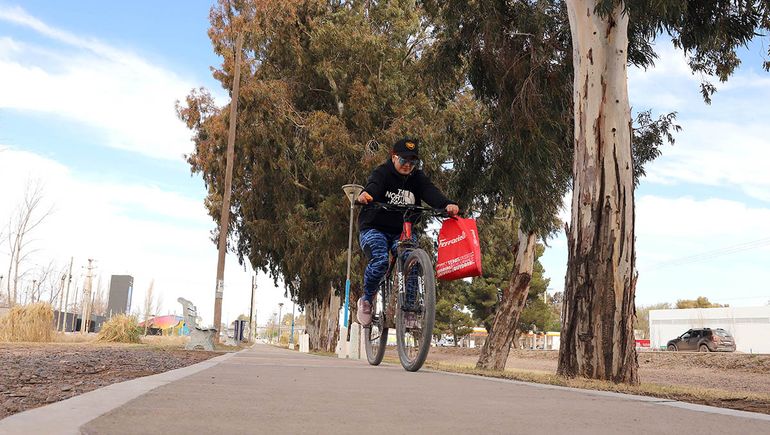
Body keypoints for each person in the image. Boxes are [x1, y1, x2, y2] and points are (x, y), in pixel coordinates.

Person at [356, 138, 459, 326]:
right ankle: (367, 299)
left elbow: (431, 192)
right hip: (374, 227)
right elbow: (374, 185)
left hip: (402, 230)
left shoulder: (417, 178)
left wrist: (446, 205)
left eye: (413, 162)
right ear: (393, 157)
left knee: (412, 260)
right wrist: (366, 195)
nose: (408, 166)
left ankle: (410, 309)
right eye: (404, 161)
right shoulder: (383, 172)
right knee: (380, 261)